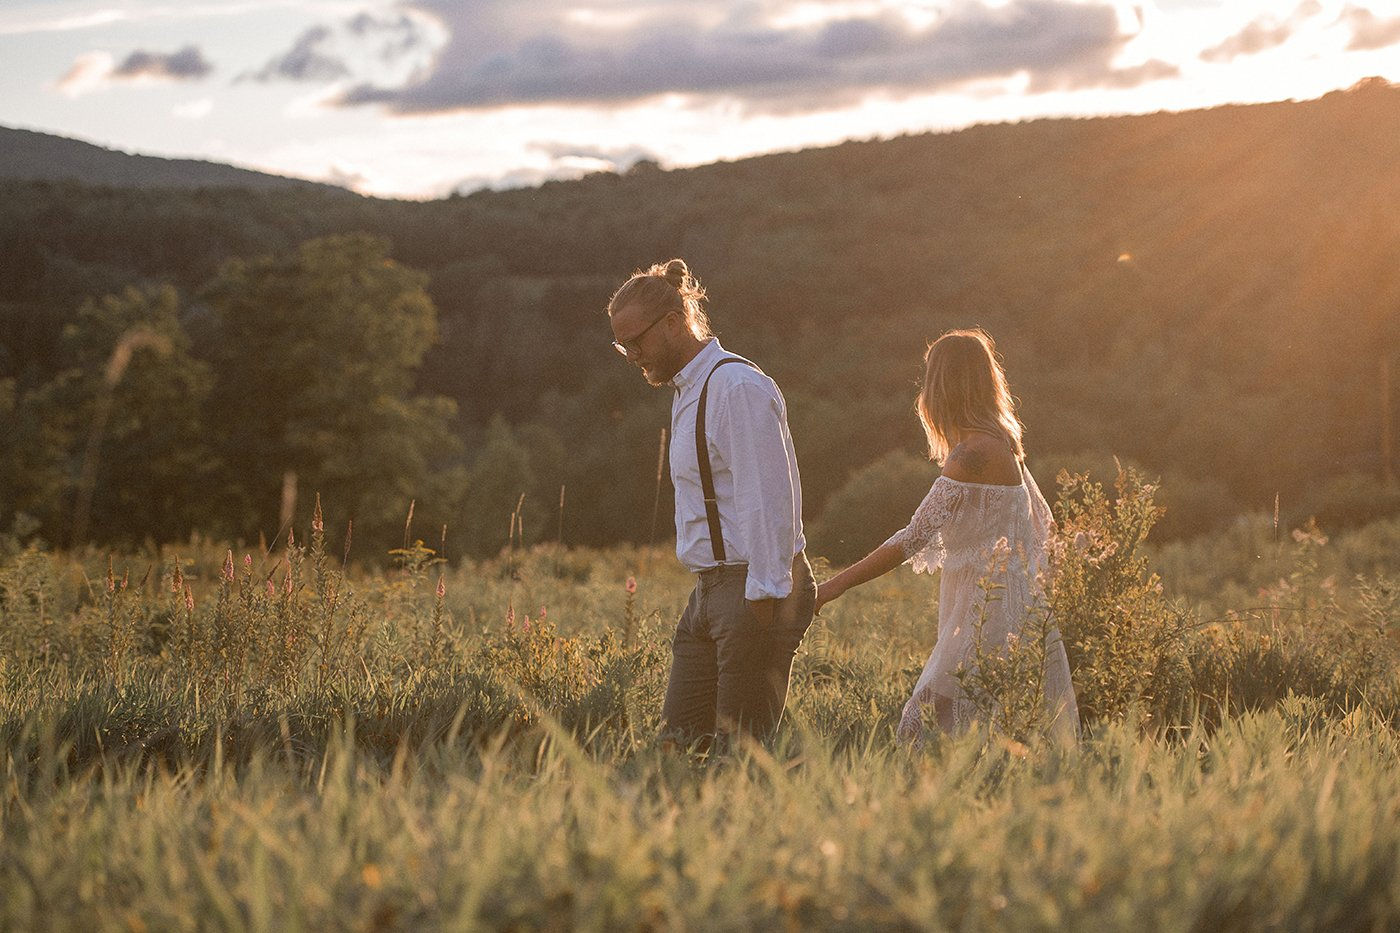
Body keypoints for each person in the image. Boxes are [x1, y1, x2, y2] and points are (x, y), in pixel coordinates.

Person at [815, 328, 1078, 745]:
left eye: (927, 378)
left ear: (943, 386)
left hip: (989, 616)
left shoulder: (970, 455)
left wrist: (833, 587)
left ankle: (926, 804)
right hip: (1012, 609)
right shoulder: (1004, 446)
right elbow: (1044, 525)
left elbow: (912, 538)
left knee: (920, 724)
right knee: (984, 733)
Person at [608, 258, 814, 749]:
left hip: (752, 587)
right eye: (623, 346)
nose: (632, 354)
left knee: (739, 758)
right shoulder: (689, 388)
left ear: (676, 323)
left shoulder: (735, 386)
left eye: (636, 340)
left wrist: (764, 598)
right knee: (676, 748)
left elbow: (767, 497)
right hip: (710, 590)